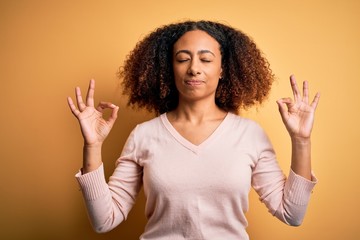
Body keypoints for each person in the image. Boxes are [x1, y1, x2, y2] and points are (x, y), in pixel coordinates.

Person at [67, 20, 320, 240]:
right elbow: (103, 220)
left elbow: (292, 214)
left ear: (223, 70)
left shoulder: (249, 135)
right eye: (183, 59)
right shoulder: (144, 135)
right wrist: (92, 146)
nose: (194, 68)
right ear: (171, 68)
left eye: (206, 59)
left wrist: (301, 140)